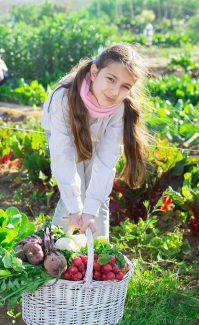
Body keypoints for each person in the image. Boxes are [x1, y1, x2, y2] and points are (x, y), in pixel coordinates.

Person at [41, 43, 149, 239]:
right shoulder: (64, 97)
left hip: (97, 139)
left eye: (125, 86)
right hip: (64, 139)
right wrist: (76, 208)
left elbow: (106, 163)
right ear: (94, 72)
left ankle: (99, 258)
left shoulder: (119, 108)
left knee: (98, 201)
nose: (115, 91)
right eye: (111, 79)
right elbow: (62, 156)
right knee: (72, 200)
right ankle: (53, 252)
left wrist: (89, 211)